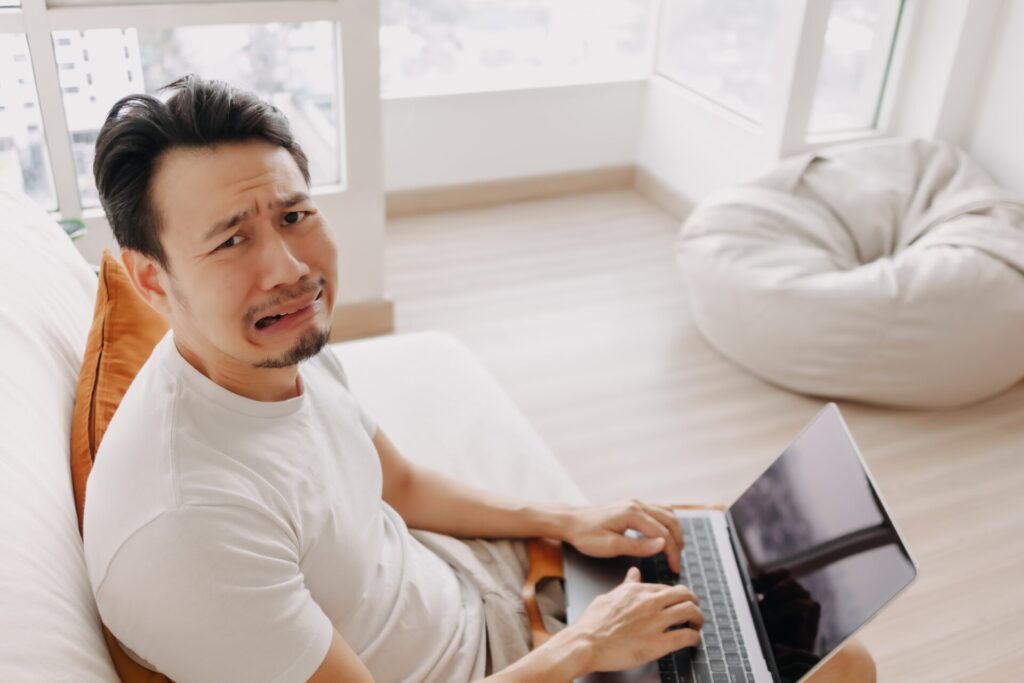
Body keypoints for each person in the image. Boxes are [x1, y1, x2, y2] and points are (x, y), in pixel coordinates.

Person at [83, 75, 873, 683]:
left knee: (738, 563)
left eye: (293, 216)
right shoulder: (188, 525)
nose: (289, 269)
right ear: (151, 280)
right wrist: (586, 645)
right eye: (231, 241)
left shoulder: (278, 349)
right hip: (509, 662)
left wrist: (566, 519)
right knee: (841, 665)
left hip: (486, 592)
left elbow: (397, 482)